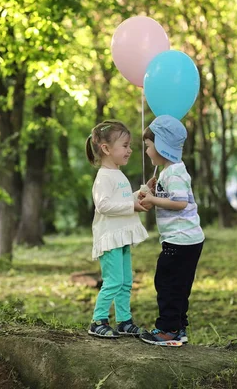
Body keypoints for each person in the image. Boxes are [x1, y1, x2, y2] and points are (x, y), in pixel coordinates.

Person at [138, 115, 205, 347]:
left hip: (181, 241)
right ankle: (179, 327)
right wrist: (153, 191)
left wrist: (154, 199)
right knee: (178, 285)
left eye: (148, 146)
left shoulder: (174, 172)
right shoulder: (169, 171)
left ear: (161, 146)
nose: (146, 151)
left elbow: (179, 203)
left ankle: (168, 329)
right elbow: (173, 198)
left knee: (167, 283)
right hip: (185, 240)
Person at [85, 120, 149, 338]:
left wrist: (136, 197)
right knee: (113, 281)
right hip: (110, 237)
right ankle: (98, 320)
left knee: (126, 282)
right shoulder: (103, 177)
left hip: (121, 237)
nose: (129, 150)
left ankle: (124, 320)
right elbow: (103, 206)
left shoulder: (118, 174)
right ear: (106, 149)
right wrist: (131, 205)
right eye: (125, 145)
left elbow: (120, 202)